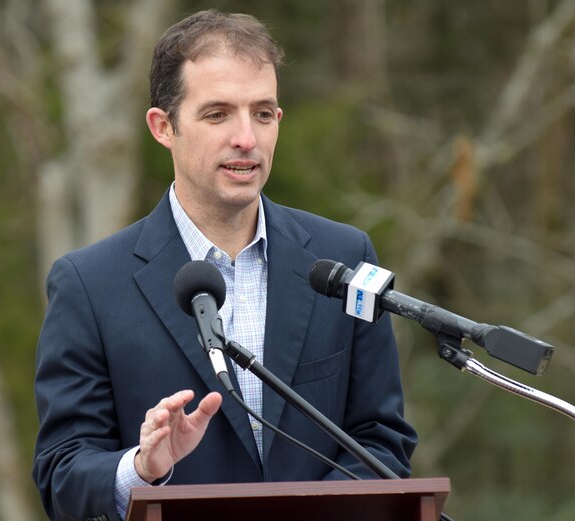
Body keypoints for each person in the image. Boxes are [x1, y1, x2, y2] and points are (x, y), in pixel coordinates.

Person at [32, 9, 416, 521]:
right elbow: (62, 475)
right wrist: (142, 470)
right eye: (218, 114)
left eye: (262, 113)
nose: (246, 138)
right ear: (163, 127)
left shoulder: (343, 258)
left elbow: (381, 442)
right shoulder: (89, 284)